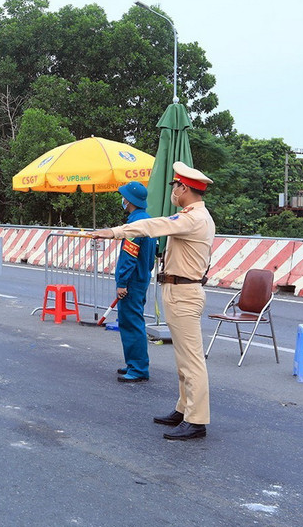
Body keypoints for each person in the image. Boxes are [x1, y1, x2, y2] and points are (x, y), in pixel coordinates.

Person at [91, 161, 216, 441]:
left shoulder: (192, 218)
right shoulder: (192, 216)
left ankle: (196, 420)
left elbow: (155, 225)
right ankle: (184, 409)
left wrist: (115, 231)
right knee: (184, 359)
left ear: (184, 187)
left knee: (191, 361)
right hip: (178, 291)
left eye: (175, 186)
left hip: (185, 293)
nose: (173, 190)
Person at [113, 182, 157, 384]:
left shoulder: (135, 225)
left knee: (131, 323)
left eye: (123, 196)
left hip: (131, 281)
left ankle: (138, 368)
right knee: (132, 321)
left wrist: (122, 283)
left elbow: (129, 257)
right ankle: (133, 362)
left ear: (128, 200)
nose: (122, 199)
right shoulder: (146, 221)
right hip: (141, 278)